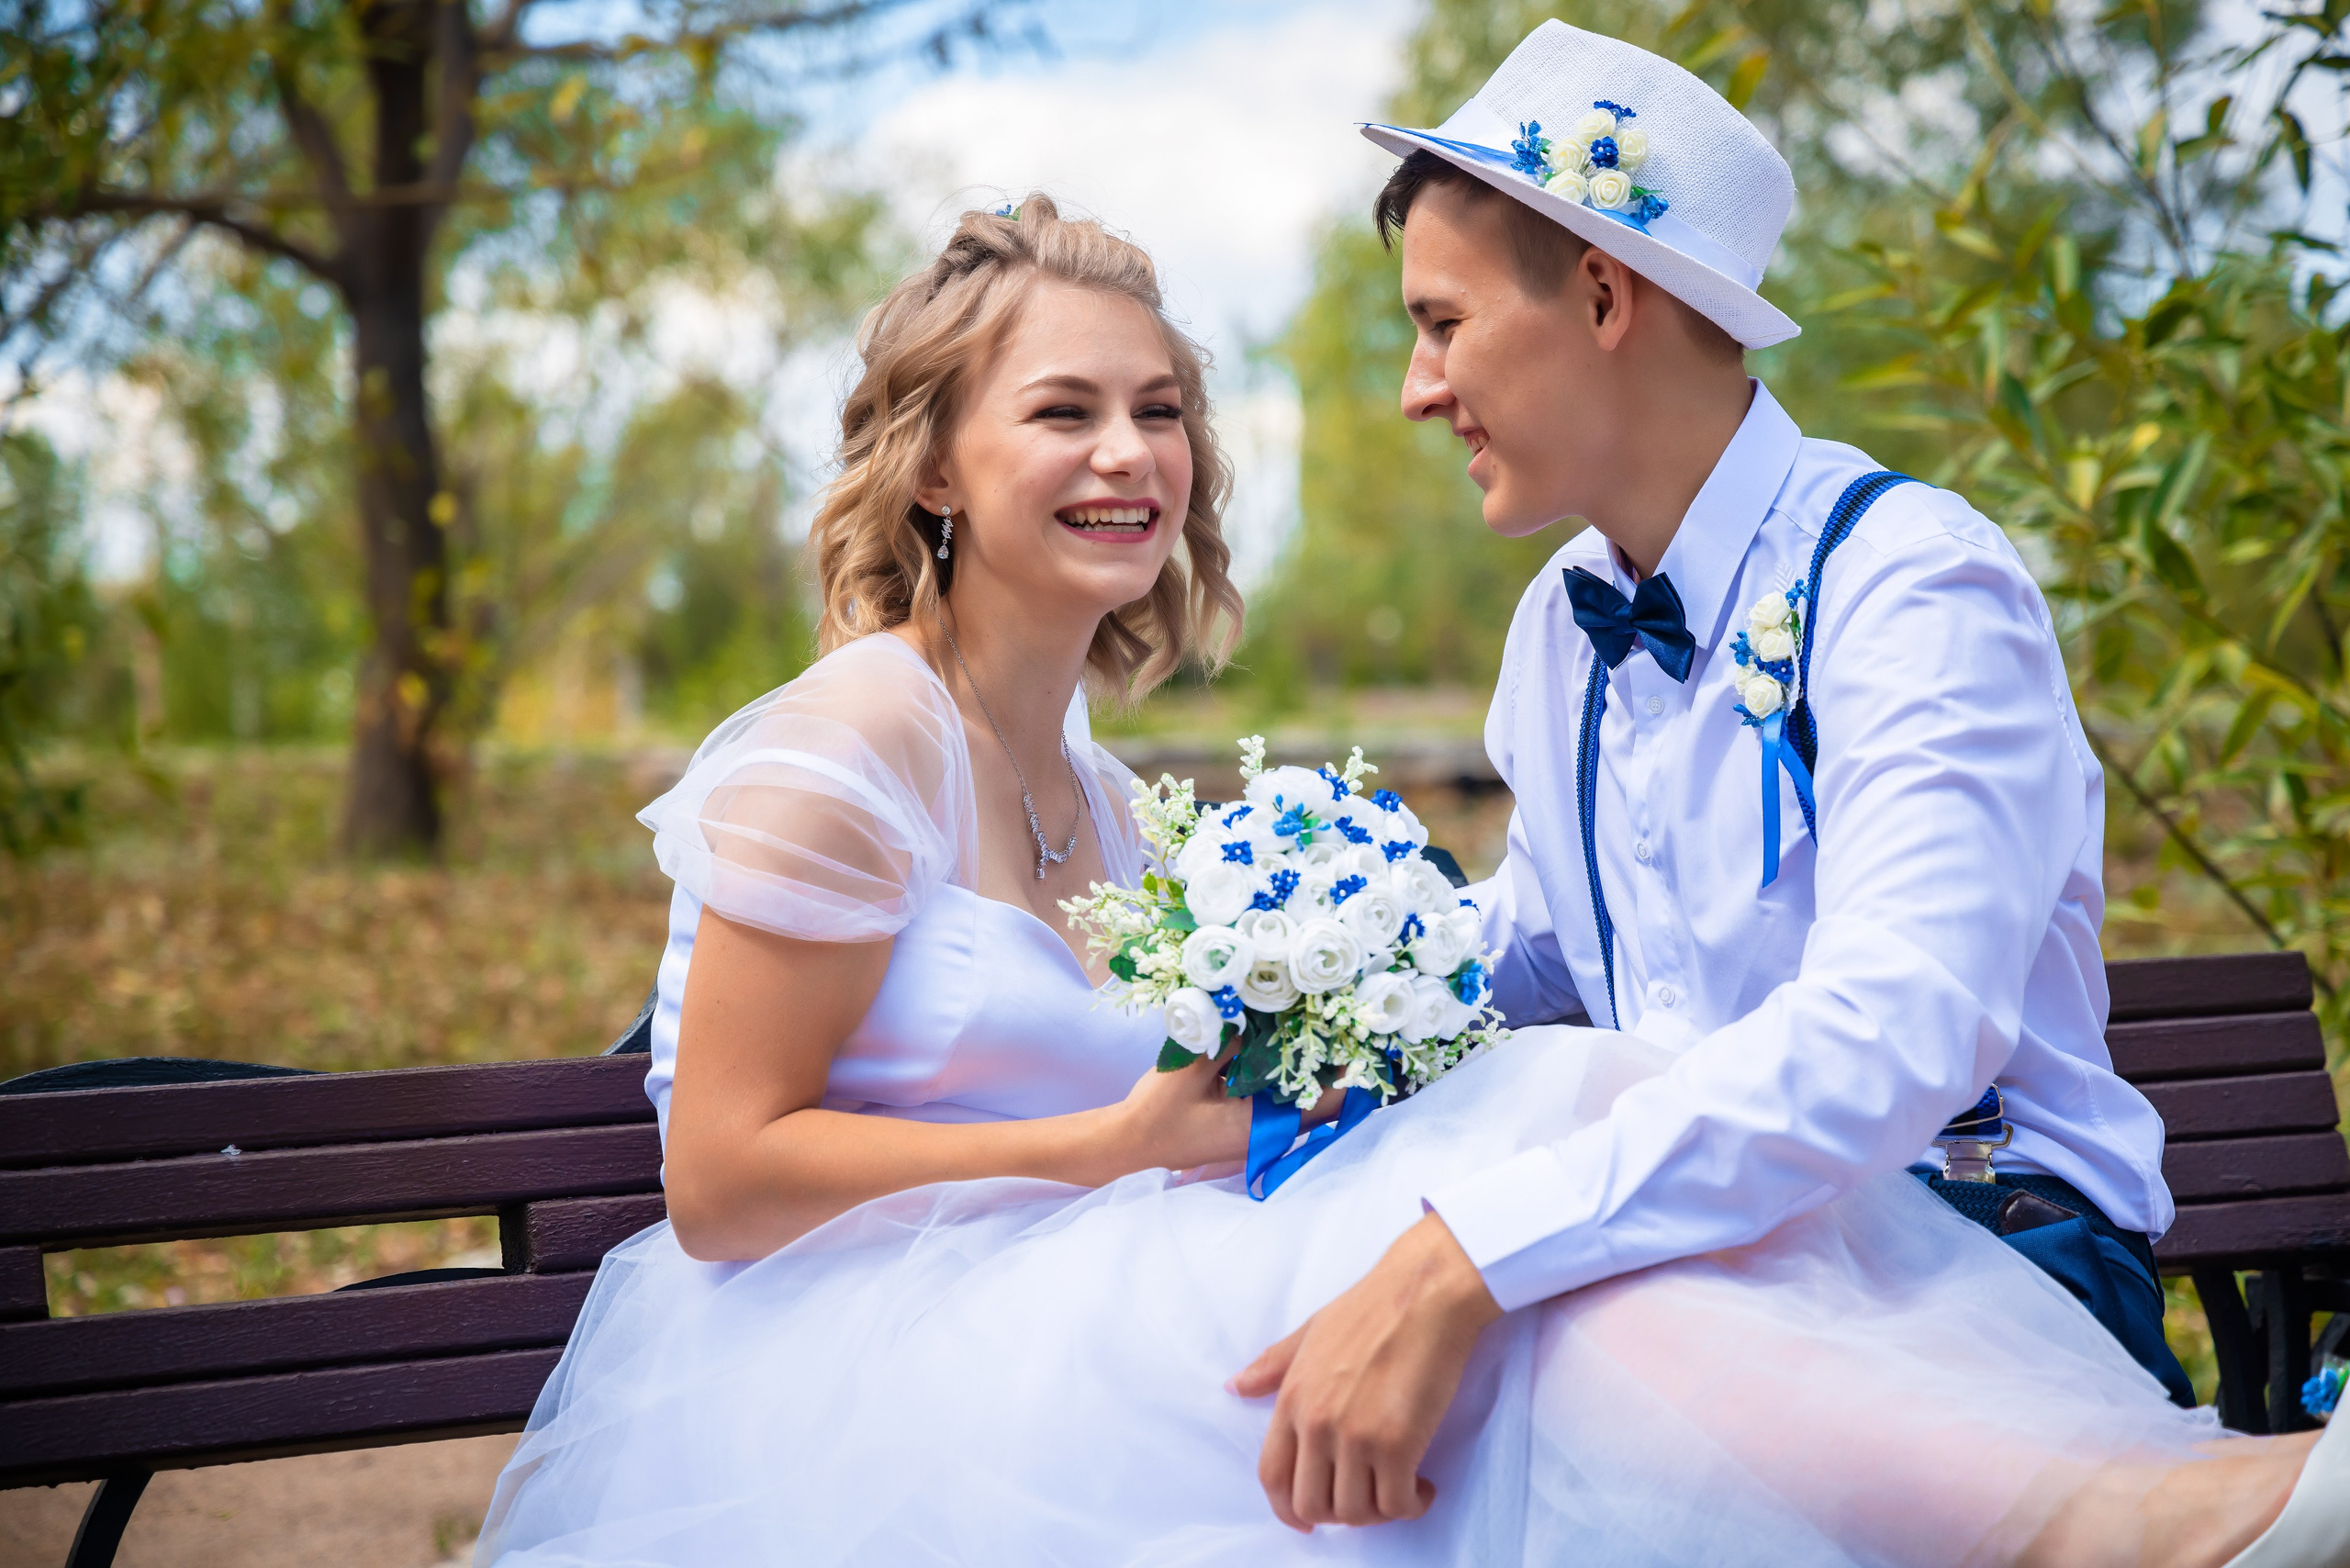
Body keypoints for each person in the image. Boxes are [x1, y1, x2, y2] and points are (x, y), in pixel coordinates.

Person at [474, 193, 2332, 1566]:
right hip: (916, 1359)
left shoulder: (1903, 582)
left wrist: (1425, 1149)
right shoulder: (859, 736)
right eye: (1062, 412)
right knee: (1538, 1237)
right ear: (933, 465)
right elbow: (724, 1177)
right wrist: (1288, 1064)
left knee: (1542, 1246)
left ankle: (2156, 1523)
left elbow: (1878, 1027)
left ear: (1601, 296)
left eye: (1159, 410)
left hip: (1945, 1243)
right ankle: (2174, 1523)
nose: (1133, 454)